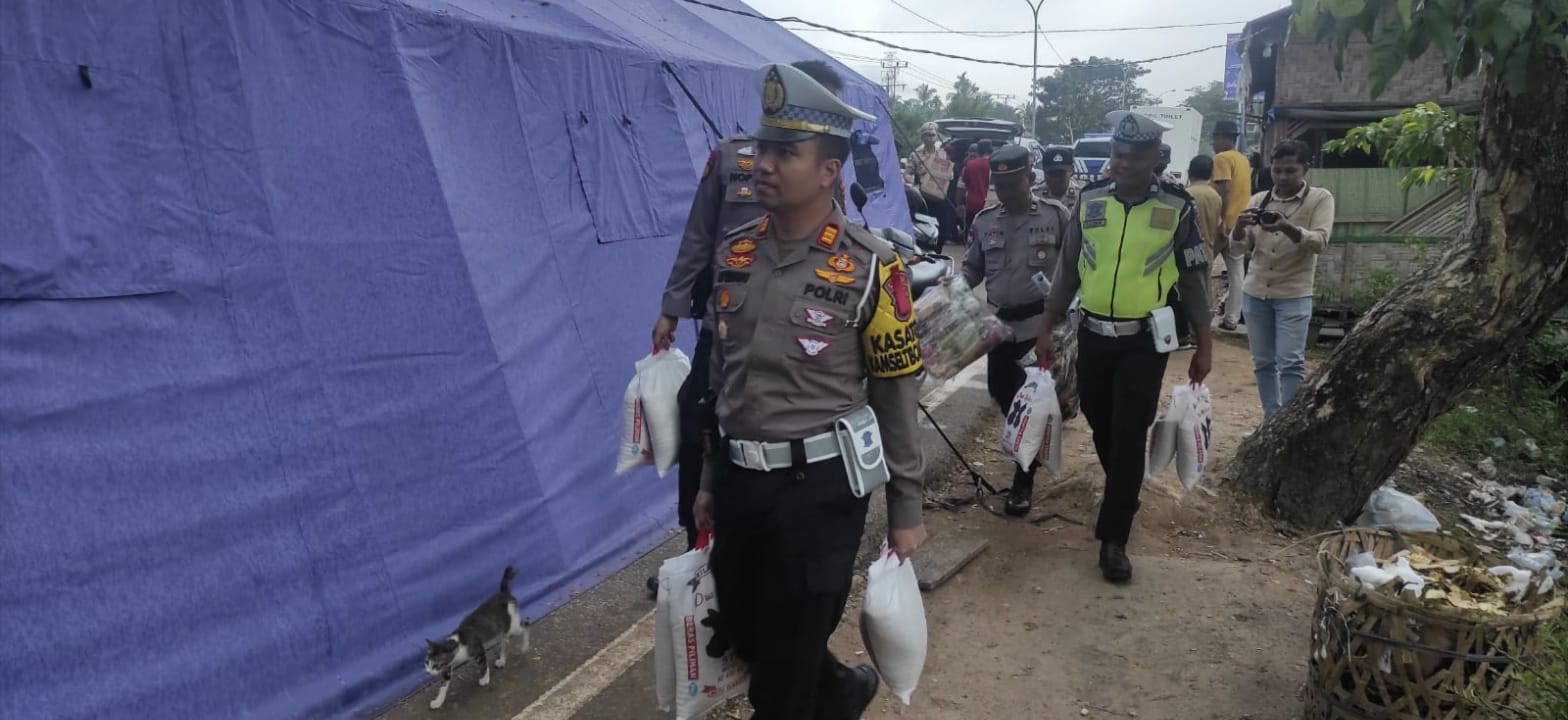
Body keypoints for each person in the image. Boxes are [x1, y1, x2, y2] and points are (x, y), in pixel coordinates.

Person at [690, 62, 928, 719]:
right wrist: (710, 476)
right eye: (762, 147)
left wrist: (906, 506)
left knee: (779, 687)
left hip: (817, 493)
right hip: (741, 482)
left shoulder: (874, 266)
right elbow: (721, 378)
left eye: (784, 152)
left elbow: (895, 390)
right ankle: (842, 690)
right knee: (746, 630)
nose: (762, 164)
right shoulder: (735, 252)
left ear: (829, 170)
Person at [649, 60, 844, 596]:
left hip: (795, 345)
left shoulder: (826, 170)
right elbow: (698, 235)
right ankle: (698, 550)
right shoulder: (733, 157)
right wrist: (671, 307)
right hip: (726, 335)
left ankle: (765, 564)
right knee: (699, 435)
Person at [1034, 111, 1212, 583]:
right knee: (1097, 418)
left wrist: (1205, 343)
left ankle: (1114, 537)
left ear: (1156, 158)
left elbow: (1194, 280)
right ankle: (1124, 488)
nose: (1124, 163)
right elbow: (1068, 269)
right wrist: (1046, 325)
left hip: (1144, 342)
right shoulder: (1090, 200)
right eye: (1118, 154)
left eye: (1135, 156)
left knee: (1129, 431)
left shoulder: (1178, 207)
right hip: (1093, 335)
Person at [959, 144, 1075, 517]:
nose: (1006, 192)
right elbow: (971, 270)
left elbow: (1077, 266)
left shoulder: (1056, 216)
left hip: (1041, 326)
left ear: (1029, 178)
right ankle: (1026, 448)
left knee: (1030, 404)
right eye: (1000, 185)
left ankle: (1024, 479)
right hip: (1001, 327)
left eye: (1013, 183)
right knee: (1001, 393)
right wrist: (951, 288)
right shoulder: (985, 221)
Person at [1229, 139, 1336, 419]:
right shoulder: (1258, 200)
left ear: (1306, 169)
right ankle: (1270, 420)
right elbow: (1239, 248)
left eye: (1290, 170)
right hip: (1256, 293)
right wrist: (1239, 229)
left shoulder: (1320, 199)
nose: (1283, 177)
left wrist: (1287, 227)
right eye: (1277, 171)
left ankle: (1288, 424)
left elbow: (1320, 242)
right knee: (1263, 363)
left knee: (1290, 363)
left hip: (1294, 294)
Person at [1211, 120, 1253, 332]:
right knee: (1237, 273)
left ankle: (1200, 315)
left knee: (1201, 269)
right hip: (1241, 224)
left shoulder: (1222, 158)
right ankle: (1232, 319)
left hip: (1224, 224)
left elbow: (1224, 190)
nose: (1213, 142)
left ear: (1226, 138)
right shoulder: (1243, 160)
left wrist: (1221, 220)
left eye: (1215, 138)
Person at [1186, 155, 1225, 320]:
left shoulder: (1186, 194)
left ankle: (1187, 331)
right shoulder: (1216, 196)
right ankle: (1202, 330)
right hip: (1207, 251)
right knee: (1204, 294)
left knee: (1187, 294)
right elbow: (1219, 227)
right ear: (1211, 174)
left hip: (1186, 253)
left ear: (1189, 172)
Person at [908, 122, 957, 245]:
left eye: (933, 135)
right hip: (923, 198)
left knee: (943, 230)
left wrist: (947, 176)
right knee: (923, 229)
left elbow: (950, 174)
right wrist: (917, 185)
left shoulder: (942, 154)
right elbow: (908, 173)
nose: (931, 138)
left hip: (939, 196)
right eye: (927, 135)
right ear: (922, 137)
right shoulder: (915, 154)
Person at [1036, 145, 1081, 212]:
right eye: (1051, 174)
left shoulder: (1081, 196)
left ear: (1071, 171)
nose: (1056, 179)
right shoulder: (1035, 195)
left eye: (1061, 174)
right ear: (1044, 172)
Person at [960, 139, 993, 229]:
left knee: (971, 230)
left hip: (973, 204)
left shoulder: (970, 164)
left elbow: (964, 183)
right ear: (991, 150)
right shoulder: (995, 165)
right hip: (991, 205)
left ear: (979, 151)